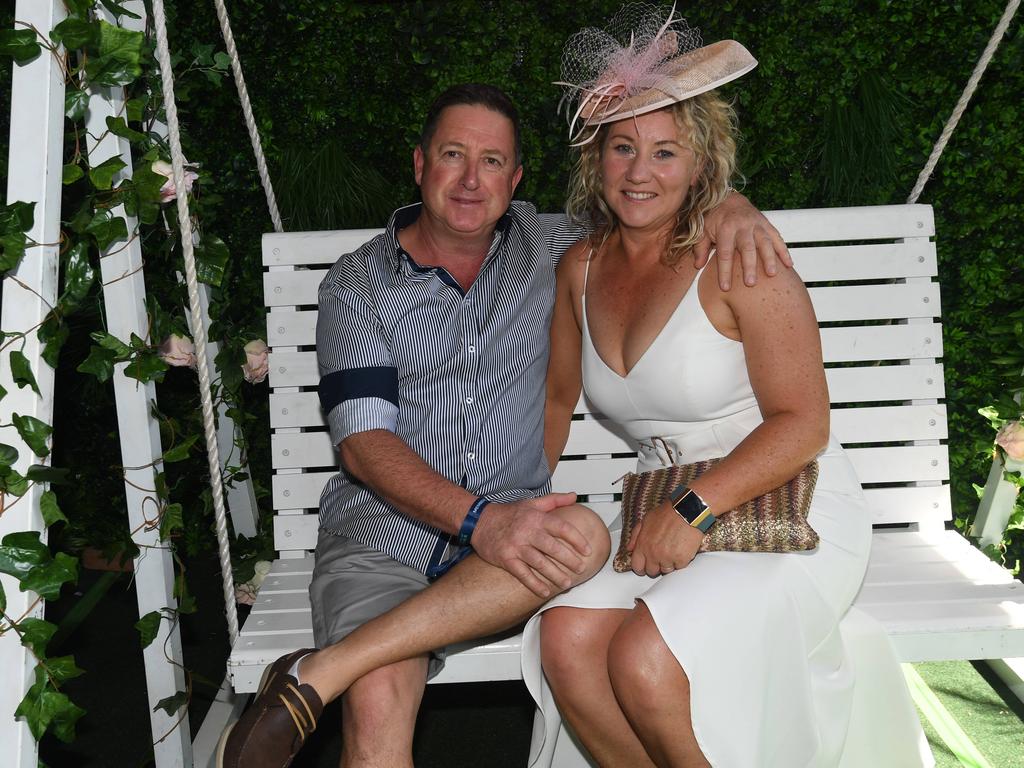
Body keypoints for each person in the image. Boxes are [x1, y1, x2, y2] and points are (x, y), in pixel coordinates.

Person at [217, 81, 791, 768]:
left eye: (492, 162)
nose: (470, 179)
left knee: (579, 535)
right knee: (378, 695)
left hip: (510, 546)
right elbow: (365, 446)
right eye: (453, 155)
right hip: (384, 538)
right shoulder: (357, 285)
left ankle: (314, 675)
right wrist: (482, 521)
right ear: (420, 164)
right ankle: (348, 670)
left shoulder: (551, 248)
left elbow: (652, 194)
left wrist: (732, 203)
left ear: (515, 179)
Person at [528, 7, 929, 767]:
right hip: (665, 500)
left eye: (665, 152)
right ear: (596, 158)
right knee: (568, 638)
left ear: (702, 163)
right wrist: (511, 506)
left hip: (787, 502)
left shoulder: (742, 257)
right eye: (622, 148)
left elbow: (802, 422)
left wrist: (694, 512)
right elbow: (554, 401)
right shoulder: (578, 267)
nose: (639, 173)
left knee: (645, 659)